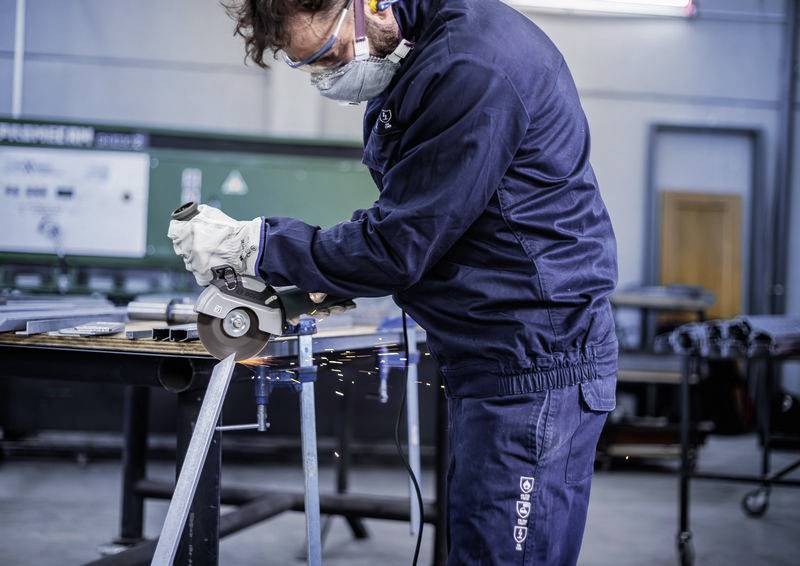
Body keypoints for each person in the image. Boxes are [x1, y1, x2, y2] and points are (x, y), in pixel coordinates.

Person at [168, 1, 618, 563]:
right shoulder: (413, 56)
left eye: (329, 54)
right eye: (308, 66)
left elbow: (400, 244)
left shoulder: (471, 67)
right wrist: (323, 276)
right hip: (497, 359)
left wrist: (256, 245)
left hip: (534, 366)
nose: (328, 77)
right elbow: (428, 216)